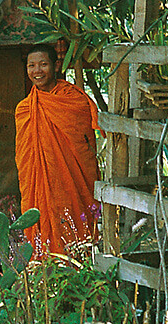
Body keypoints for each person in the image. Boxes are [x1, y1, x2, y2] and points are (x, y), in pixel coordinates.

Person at [14, 43, 101, 255]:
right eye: (31, 66)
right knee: (41, 228)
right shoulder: (25, 109)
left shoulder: (74, 100)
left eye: (43, 64)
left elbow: (85, 150)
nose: (37, 71)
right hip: (39, 186)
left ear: (56, 66)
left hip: (71, 182)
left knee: (77, 232)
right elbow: (24, 159)